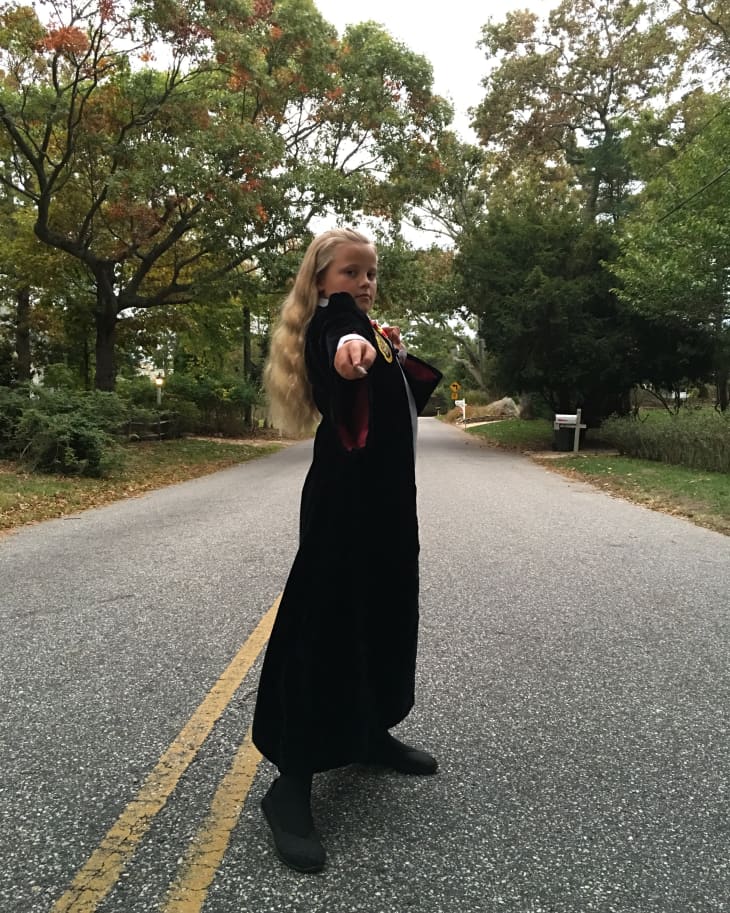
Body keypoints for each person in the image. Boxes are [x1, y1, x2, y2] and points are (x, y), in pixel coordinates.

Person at [252, 227, 442, 873]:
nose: (362, 283)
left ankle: (368, 730)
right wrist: (355, 346)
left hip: (386, 503)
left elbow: (400, 389)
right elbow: (341, 345)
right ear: (321, 280)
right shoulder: (334, 327)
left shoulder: (372, 327)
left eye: (370, 273)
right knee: (325, 625)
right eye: (349, 272)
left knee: (384, 610)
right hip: (343, 505)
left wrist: (386, 345)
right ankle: (291, 783)